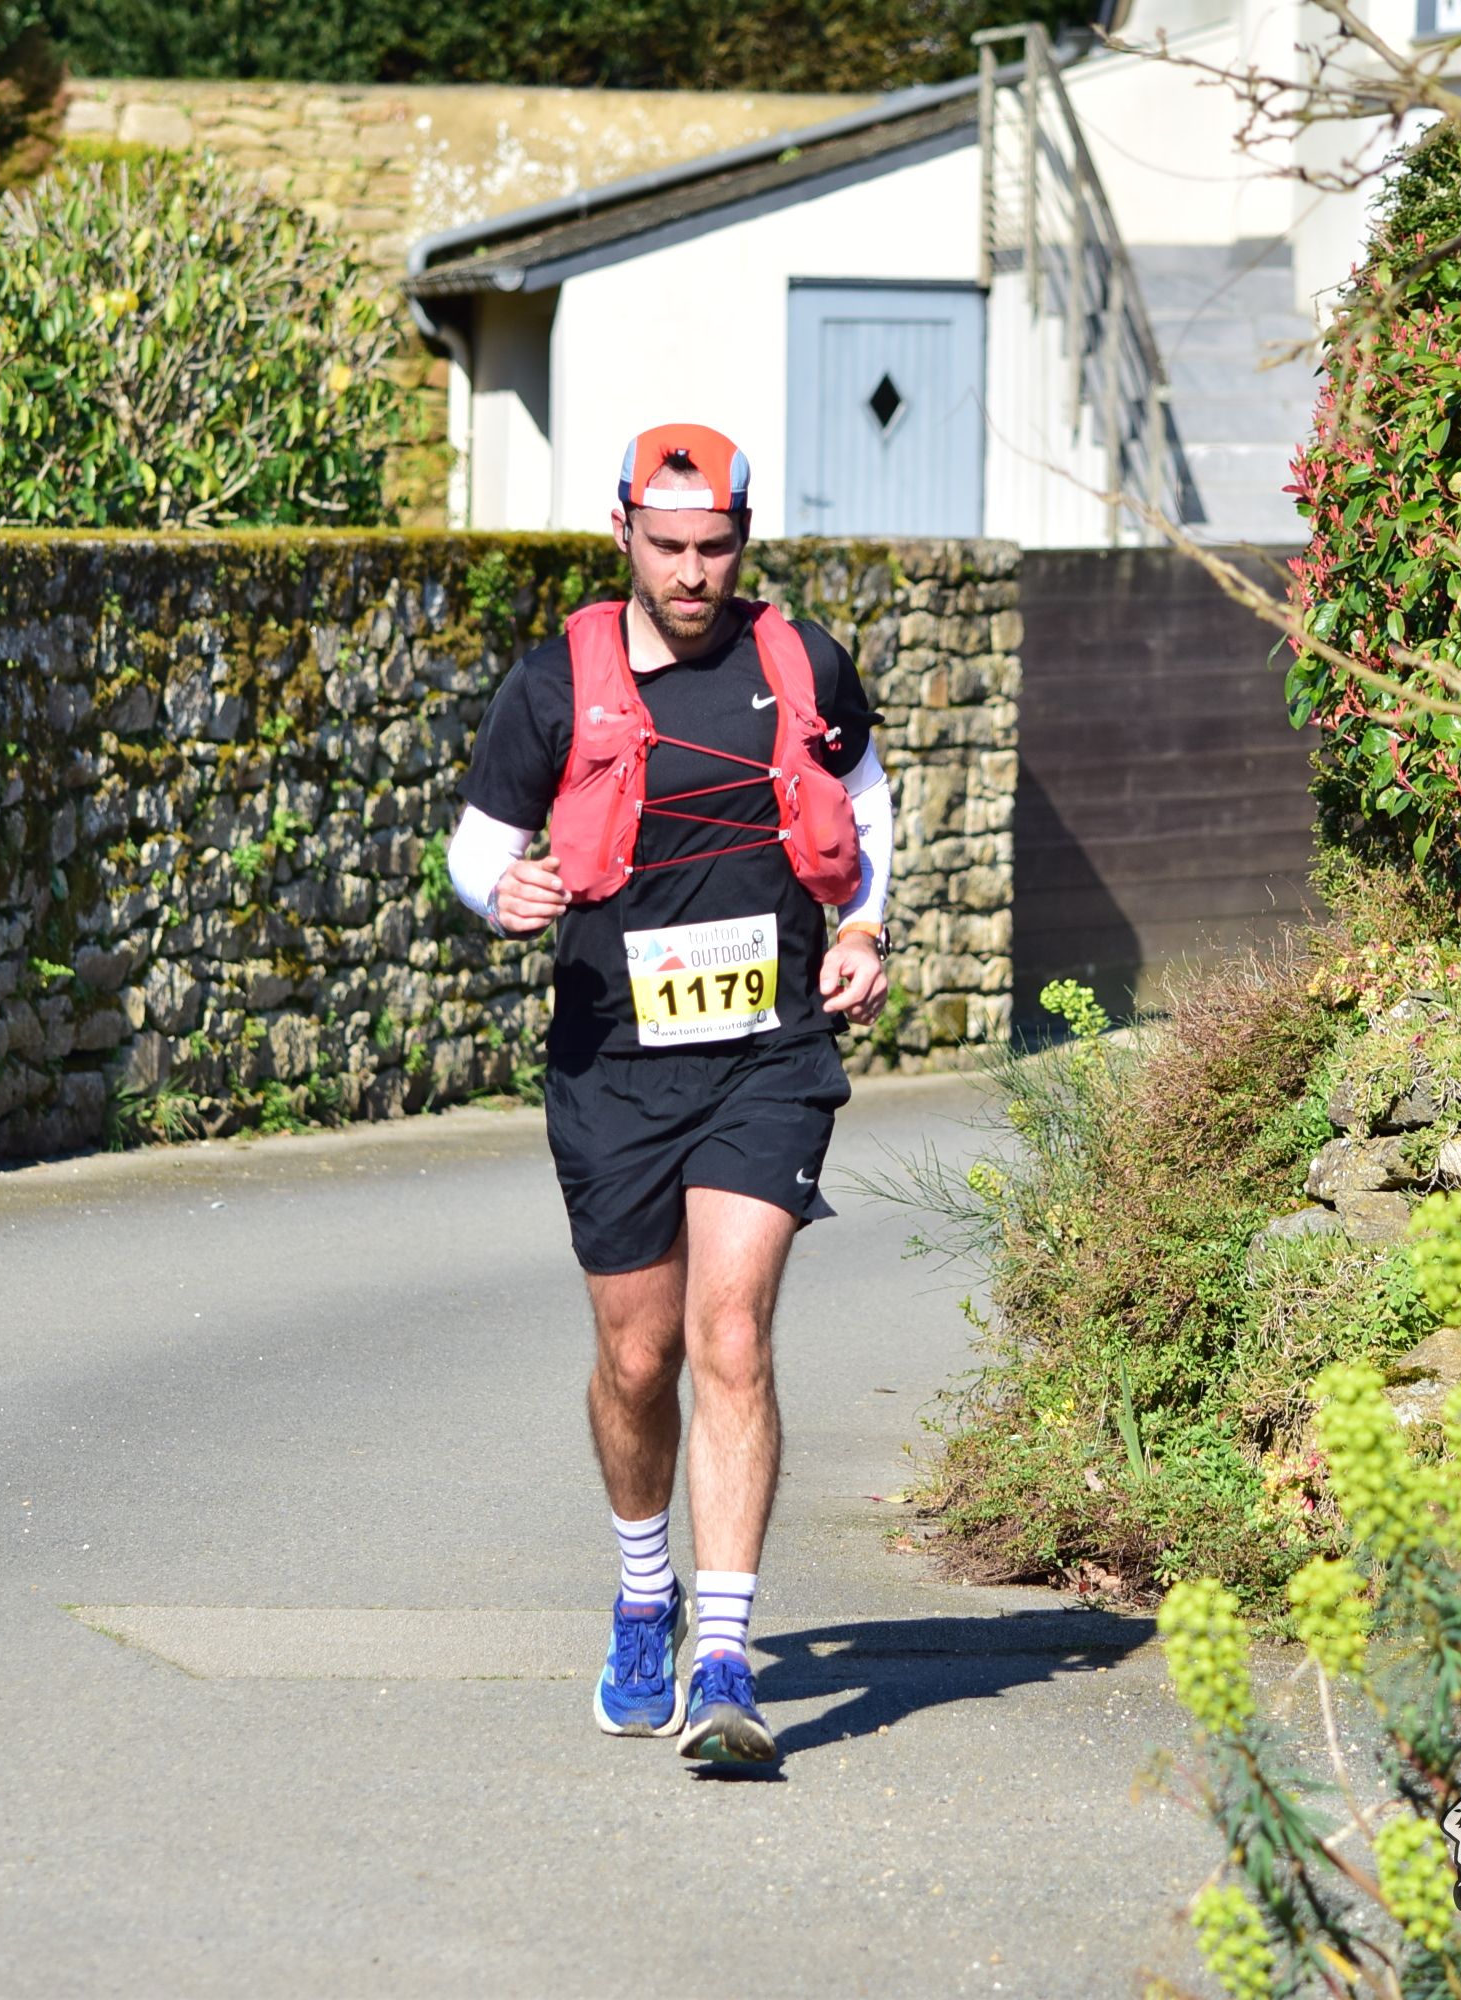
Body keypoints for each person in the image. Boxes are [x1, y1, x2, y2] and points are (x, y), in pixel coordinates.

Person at [444, 422, 895, 1768]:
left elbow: (865, 801)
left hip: (769, 1054)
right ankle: (648, 1595)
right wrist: (505, 894)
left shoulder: (801, 663)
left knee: (731, 1335)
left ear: (743, 540)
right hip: (615, 1063)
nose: (693, 574)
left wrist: (865, 929)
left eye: (716, 548)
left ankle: (726, 1662)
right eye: (669, 547)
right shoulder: (554, 682)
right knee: (639, 1361)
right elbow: (476, 851)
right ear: (624, 534)